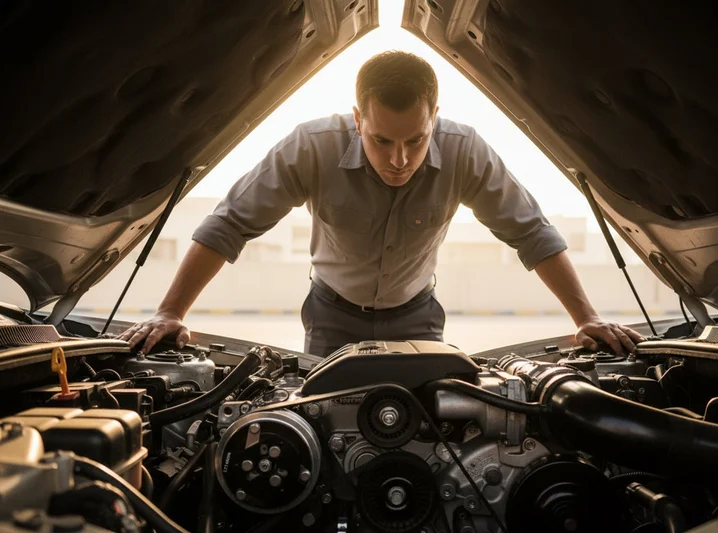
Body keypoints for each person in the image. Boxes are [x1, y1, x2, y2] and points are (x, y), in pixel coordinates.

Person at [119, 50, 645, 357]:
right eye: (381, 141)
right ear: (356, 119)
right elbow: (229, 225)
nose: (399, 160)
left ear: (434, 116)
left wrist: (586, 318)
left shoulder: (467, 152)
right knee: (324, 434)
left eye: (415, 141)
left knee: (424, 440)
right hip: (330, 315)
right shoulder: (310, 146)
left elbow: (533, 234)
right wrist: (170, 312)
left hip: (417, 317)